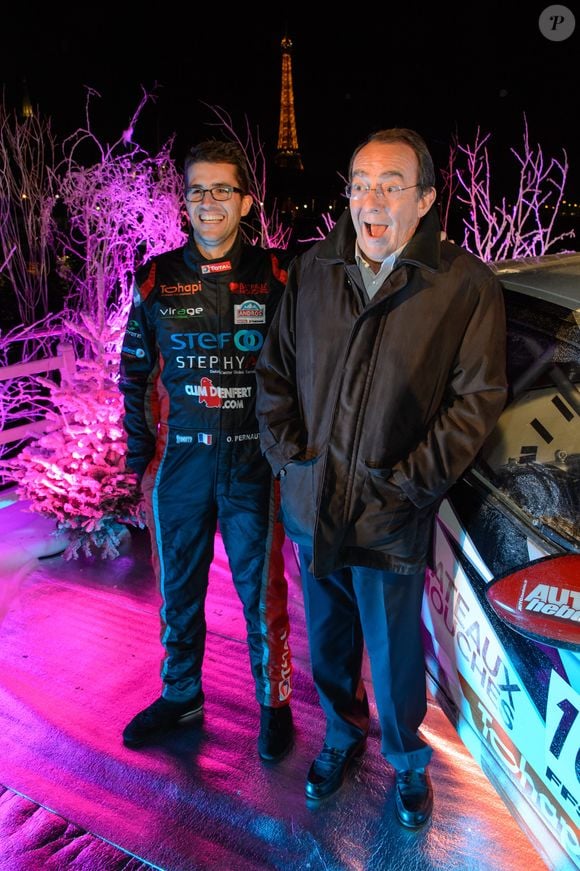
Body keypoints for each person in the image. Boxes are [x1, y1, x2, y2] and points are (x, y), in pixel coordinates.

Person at [255, 128, 507, 825]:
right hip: (313, 502)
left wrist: (409, 483)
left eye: (392, 184)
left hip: (389, 510)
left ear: (425, 200)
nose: (372, 198)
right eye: (361, 182)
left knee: (396, 655)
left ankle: (407, 760)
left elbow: (477, 399)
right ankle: (341, 736)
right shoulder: (312, 271)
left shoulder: (463, 286)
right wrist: (289, 458)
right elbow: (274, 373)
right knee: (328, 643)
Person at [119, 139, 294, 762]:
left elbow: (306, 369)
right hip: (180, 468)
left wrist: (293, 452)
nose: (209, 201)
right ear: (185, 203)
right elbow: (135, 376)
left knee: (263, 595)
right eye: (198, 190)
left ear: (246, 201)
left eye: (222, 189)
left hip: (254, 464)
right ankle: (180, 695)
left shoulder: (278, 276)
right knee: (177, 592)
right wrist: (139, 464)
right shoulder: (156, 277)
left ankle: (274, 705)